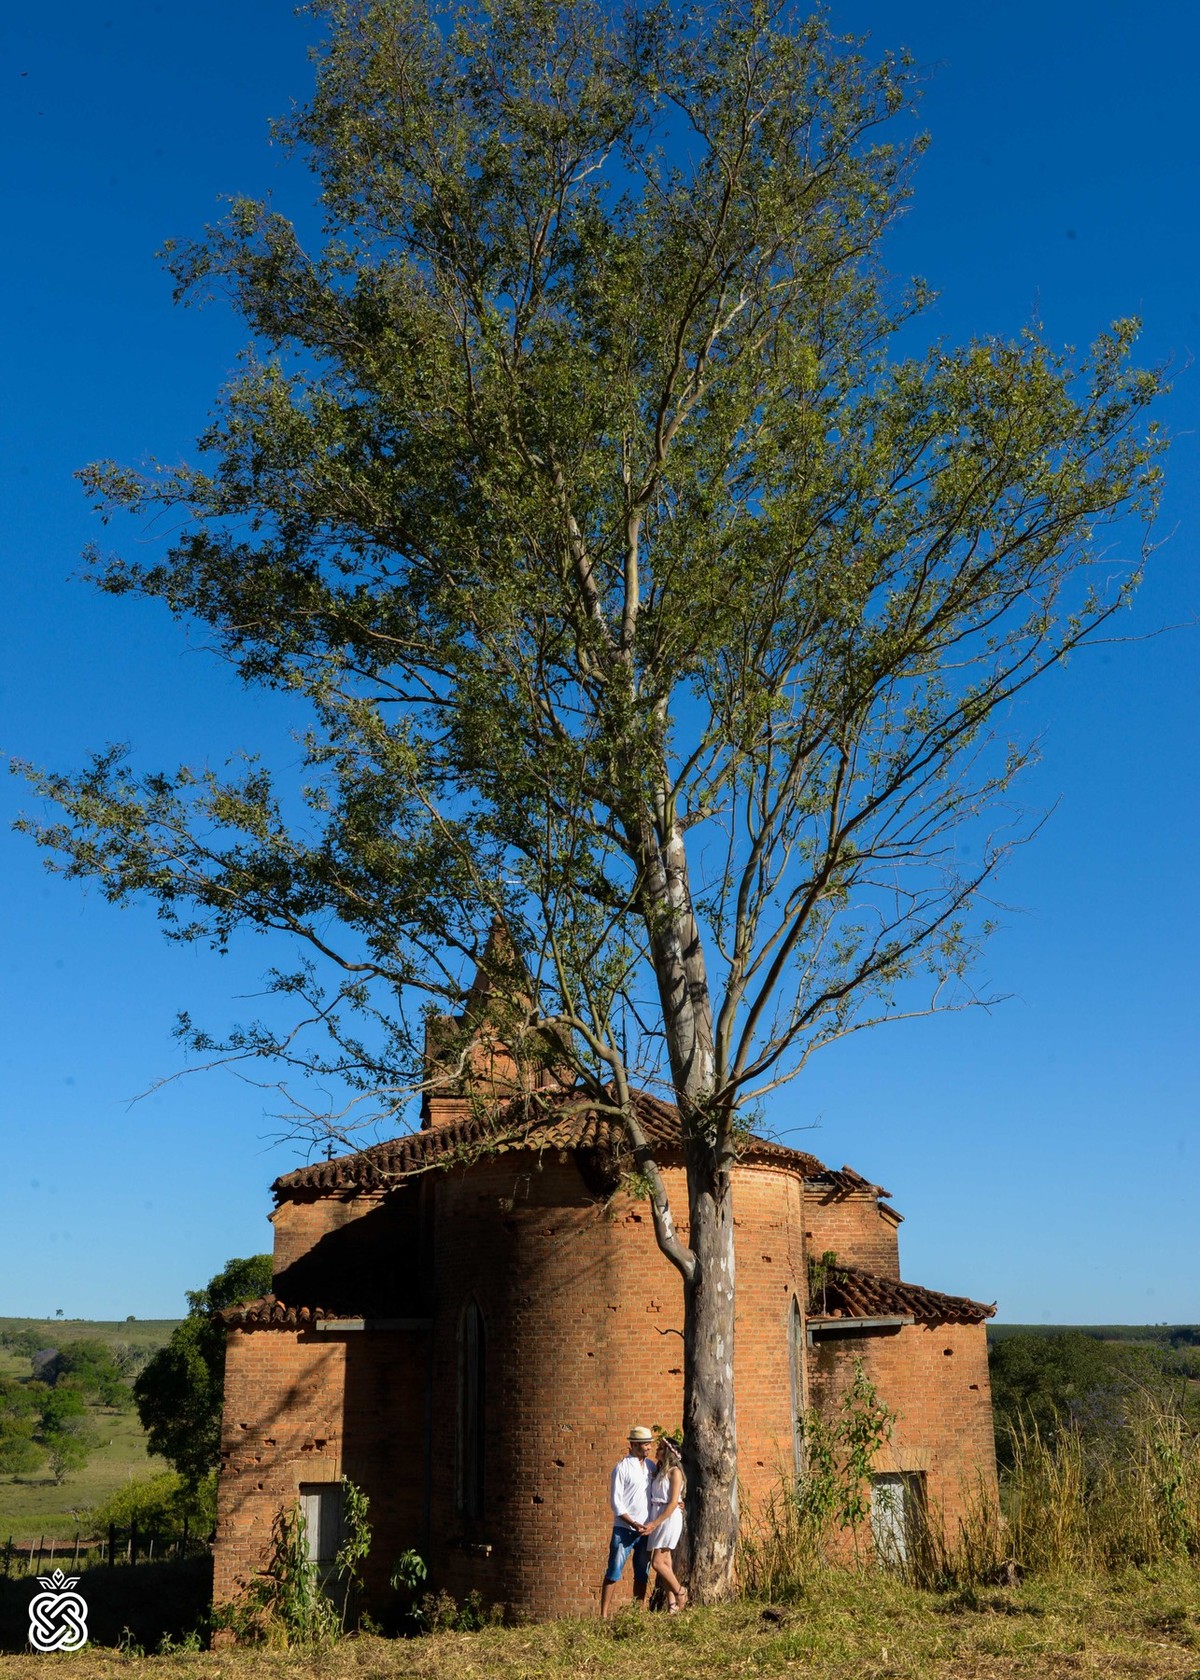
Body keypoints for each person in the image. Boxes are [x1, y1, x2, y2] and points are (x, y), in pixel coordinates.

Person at [599, 1425, 656, 1616]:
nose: (649, 1447)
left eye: (650, 1444)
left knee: (642, 1573)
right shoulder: (622, 1468)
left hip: (645, 1529)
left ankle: (637, 1613)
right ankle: (604, 1615)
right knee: (614, 1571)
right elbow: (616, 1502)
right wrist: (633, 1523)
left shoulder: (650, 1466)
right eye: (645, 1444)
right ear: (634, 1445)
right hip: (624, 1528)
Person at [646, 1431, 688, 1611]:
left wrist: (654, 1523)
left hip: (668, 1518)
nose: (657, 1450)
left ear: (669, 1452)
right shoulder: (657, 1471)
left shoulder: (675, 1472)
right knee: (666, 1563)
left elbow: (672, 1503)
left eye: (661, 1448)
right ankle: (672, 1604)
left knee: (656, 1562)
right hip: (658, 1514)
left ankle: (680, 1592)